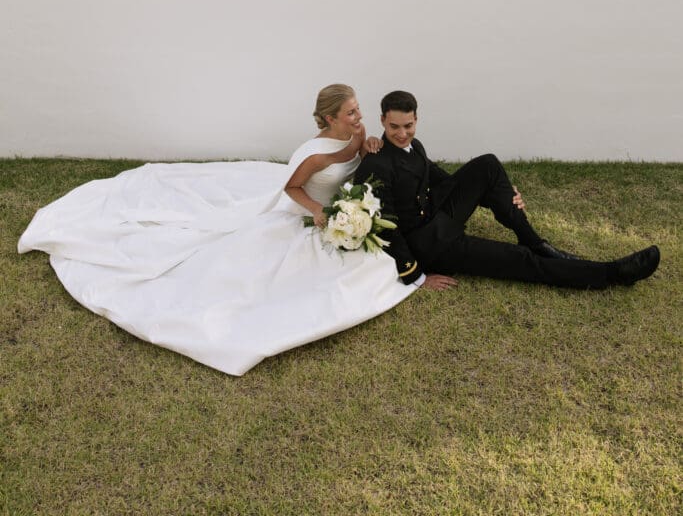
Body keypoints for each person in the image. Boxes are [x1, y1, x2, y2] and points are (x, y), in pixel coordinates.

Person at [18, 84, 417, 376]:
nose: (358, 118)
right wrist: (317, 211)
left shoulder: (361, 134)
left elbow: (358, 160)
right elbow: (291, 188)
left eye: (358, 110)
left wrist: (368, 149)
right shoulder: (312, 156)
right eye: (350, 113)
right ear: (330, 119)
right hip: (304, 214)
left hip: (338, 206)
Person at [354, 90, 661, 291]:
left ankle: (534, 239)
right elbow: (388, 227)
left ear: (416, 119)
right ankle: (611, 273)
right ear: (382, 120)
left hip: (438, 214)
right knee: (518, 260)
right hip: (430, 244)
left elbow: (440, 178)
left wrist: (493, 191)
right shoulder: (377, 163)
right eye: (394, 127)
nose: (402, 133)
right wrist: (416, 277)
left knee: (487, 165)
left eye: (408, 125)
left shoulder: (414, 145)